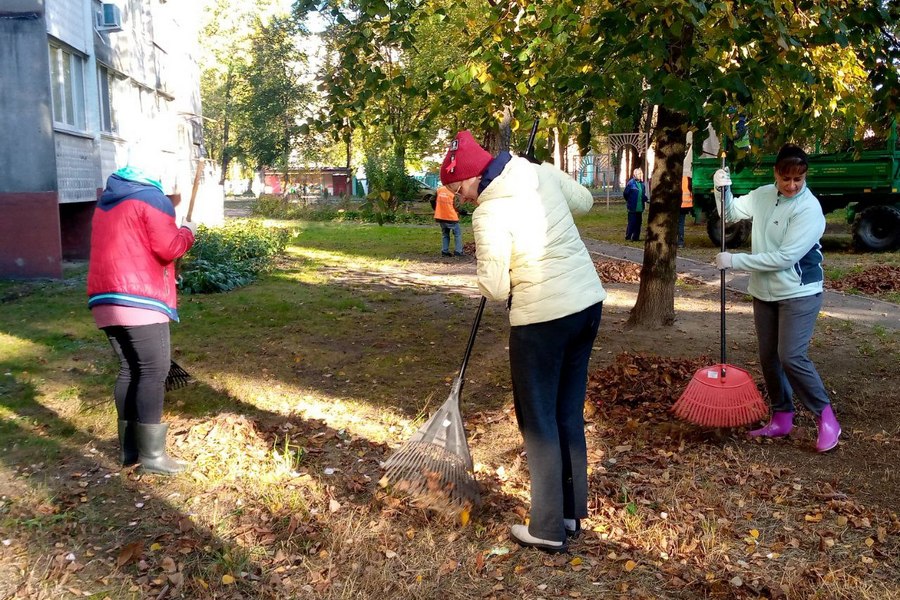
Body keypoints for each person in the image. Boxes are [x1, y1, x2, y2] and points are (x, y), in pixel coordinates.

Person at [440, 130, 607, 553]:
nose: (461, 198)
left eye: (459, 189)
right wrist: (549, 171)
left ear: (475, 176)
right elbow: (584, 201)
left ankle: (548, 529)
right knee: (567, 412)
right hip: (586, 304)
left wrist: (485, 272)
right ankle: (570, 513)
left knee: (538, 421)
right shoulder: (536, 173)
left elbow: (495, 288)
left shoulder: (490, 213)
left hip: (542, 319)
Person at [714, 144, 840, 453]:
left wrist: (735, 261)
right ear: (776, 174)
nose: (793, 185)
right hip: (764, 292)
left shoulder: (809, 209)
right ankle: (782, 416)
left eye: (799, 178)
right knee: (769, 358)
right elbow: (729, 214)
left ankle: (826, 417)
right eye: (787, 178)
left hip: (799, 292)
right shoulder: (762, 195)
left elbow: (784, 258)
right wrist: (722, 190)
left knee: (791, 356)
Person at [87, 148, 198, 474]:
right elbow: (169, 248)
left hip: (105, 300)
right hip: (139, 300)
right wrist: (188, 231)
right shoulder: (153, 198)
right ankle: (152, 458)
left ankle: (129, 451)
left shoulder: (107, 201)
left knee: (129, 370)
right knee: (153, 371)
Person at [433, 184, 463, 257]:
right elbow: (456, 206)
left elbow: (432, 200)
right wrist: (462, 211)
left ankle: (445, 251)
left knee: (445, 234)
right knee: (457, 234)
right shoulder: (453, 191)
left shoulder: (439, 190)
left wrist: (436, 209)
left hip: (440, 216)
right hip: (451, 217)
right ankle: (458, 251)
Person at [623, 167, 648, 241]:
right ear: (634, 174)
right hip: (632, 207)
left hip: (640, 207)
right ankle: (628, 236)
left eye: (641, 174)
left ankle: (636, 237)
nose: (640, 175)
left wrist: (645, 199)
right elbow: (625, 193)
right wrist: (630, 201)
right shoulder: (631, 183)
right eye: (638, 174)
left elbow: (642, 195)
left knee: (638, 223)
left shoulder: (642, 184)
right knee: (632, 222)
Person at [678, 175, 693, 248]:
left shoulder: (676, 179)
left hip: (678, 205)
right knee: (681, 224)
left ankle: (675, 241)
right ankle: (680, 242)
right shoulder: (687, 179)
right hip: (686, 205)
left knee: (676, 224)